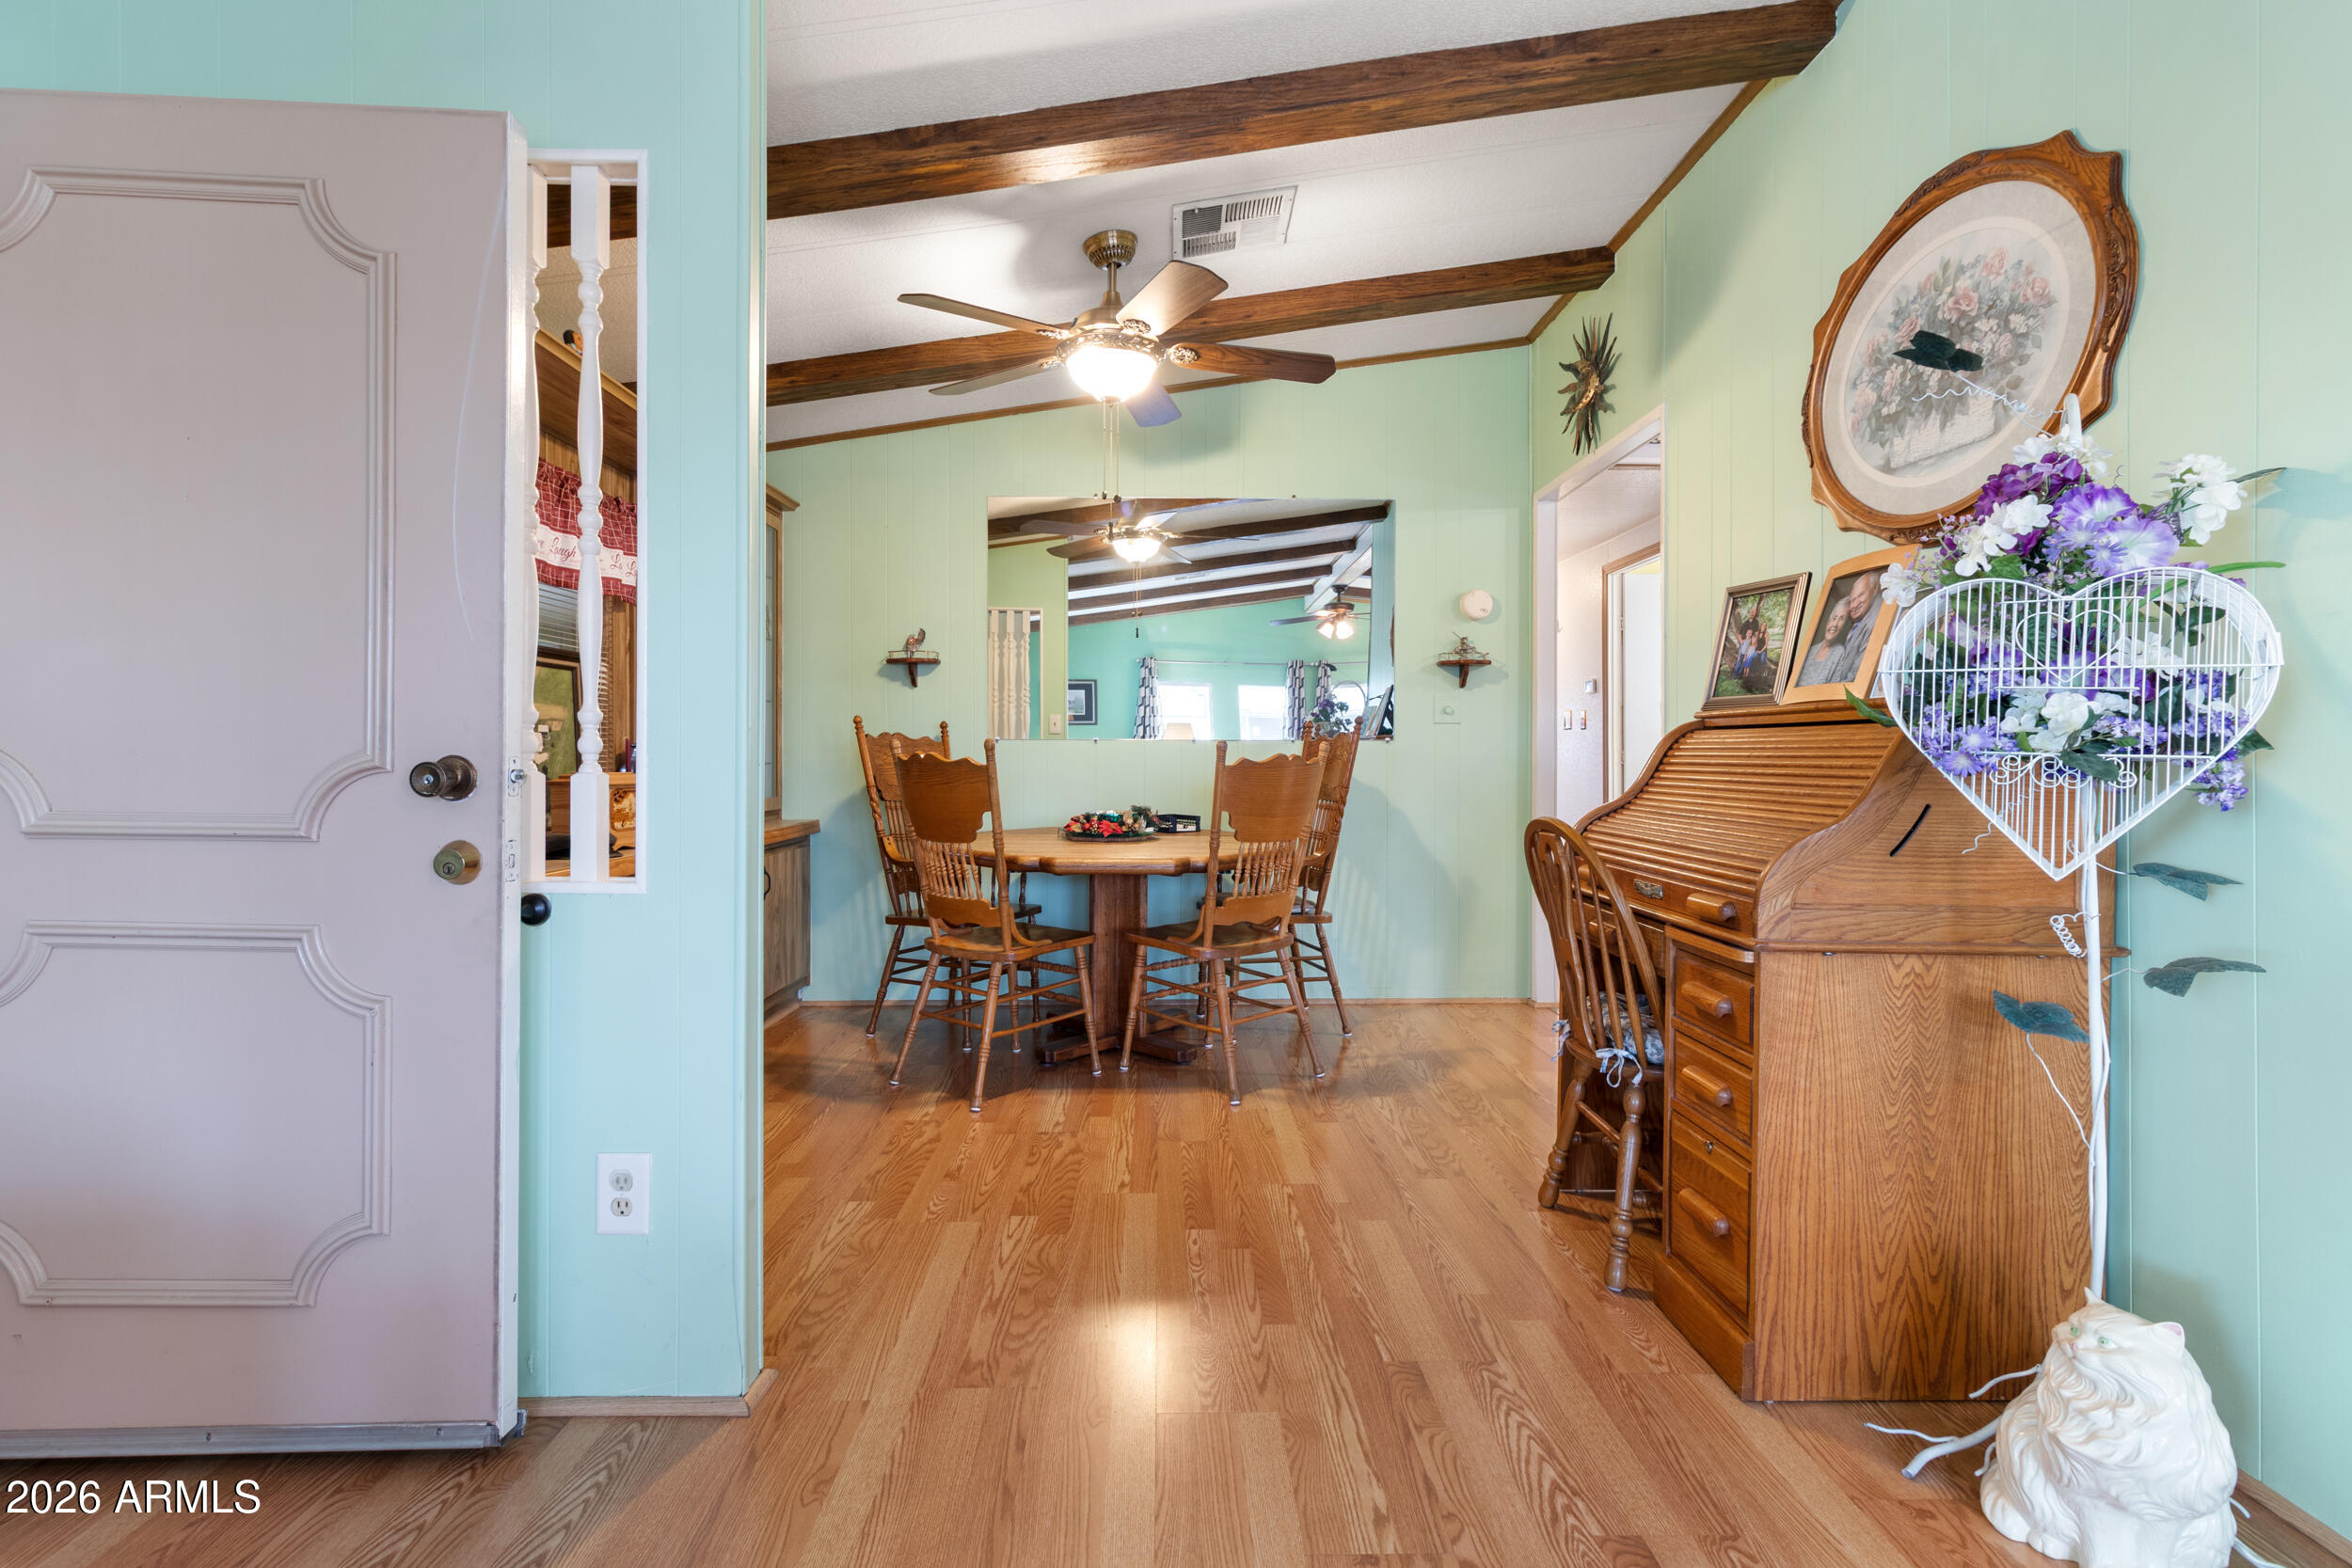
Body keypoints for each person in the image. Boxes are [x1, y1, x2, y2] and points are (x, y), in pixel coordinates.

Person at [1798, 570, 1882, 687]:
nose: (1855, 604)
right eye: (1853, 599)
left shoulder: (1874, 620)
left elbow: (1856, 675)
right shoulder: (1811, 650)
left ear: (1875, 588)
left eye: (1861, 595)